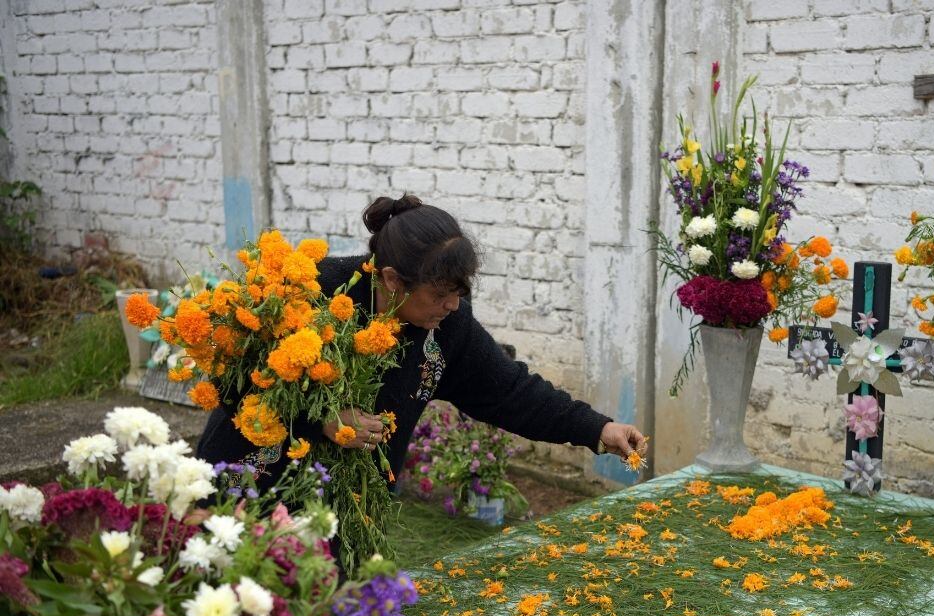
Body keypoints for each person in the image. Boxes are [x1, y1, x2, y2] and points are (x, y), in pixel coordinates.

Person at [196, 193, 645, 498]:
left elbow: (508, 391)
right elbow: (234, 377)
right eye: (439, 294)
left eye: (459, 293)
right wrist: (321, 418)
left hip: (345, 512)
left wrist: (595, 428)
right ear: (391, 280)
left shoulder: (446, 327)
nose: (452, 305)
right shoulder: (313, 291)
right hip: (251, 489)